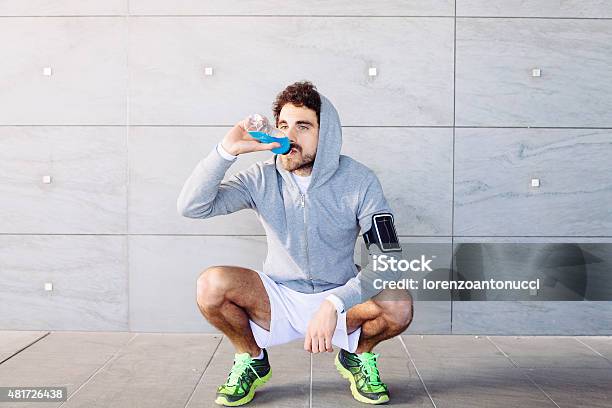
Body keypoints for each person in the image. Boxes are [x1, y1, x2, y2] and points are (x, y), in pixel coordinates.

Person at [177, 81, 413, 406]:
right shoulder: (260, 178)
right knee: (211, 284)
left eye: (303, 126)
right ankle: (251, 358)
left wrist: (334, 303)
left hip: (340, 296)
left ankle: (358, 356)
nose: (290, 136)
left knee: (398, 305)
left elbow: (389, 261)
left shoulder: (359, 181)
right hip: (278, 299)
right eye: (284, 125)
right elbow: (192, 206)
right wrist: (225, 151)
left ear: (325, 133)